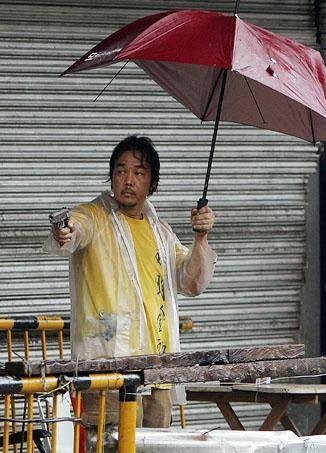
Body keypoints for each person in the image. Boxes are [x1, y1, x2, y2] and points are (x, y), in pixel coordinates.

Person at [44, 135, 216, 429]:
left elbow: (191, 282)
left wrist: (200, 236)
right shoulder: (94, 216)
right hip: (109, 369)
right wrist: (65, 230)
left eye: (138, 172)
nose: (128, 179)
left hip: (157, 369)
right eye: (121, 170)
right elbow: (75, 229)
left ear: (152, 183)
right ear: (111, 177)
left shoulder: (160, 232)